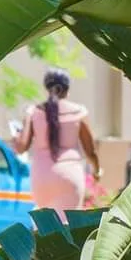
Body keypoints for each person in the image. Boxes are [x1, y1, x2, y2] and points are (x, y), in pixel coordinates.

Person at [13, 68, 100, 219]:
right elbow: (90, 151)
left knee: (45, 227)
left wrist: (16, 136)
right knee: (69, 227)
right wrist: (96, 171)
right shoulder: (79, 112)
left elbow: (21, 147)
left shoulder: (33, 112)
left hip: (41, 177)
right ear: (68, 89)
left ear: (46, 88)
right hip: (70, 176)